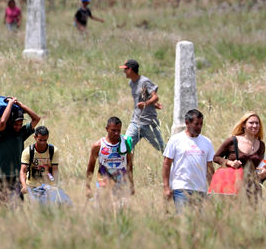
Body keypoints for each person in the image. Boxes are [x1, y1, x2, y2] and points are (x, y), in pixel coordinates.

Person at [119, 58, 165, 186]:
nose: (124, 72)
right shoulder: (131, 84)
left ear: (131, 70)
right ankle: (126, 176)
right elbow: (146, 99)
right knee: (125, 146)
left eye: (125, 69)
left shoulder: (144, 82)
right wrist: (152, 104)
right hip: (135, 121)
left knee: (163, 148)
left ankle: (174, 169)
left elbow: (155, 96)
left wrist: (147, 104)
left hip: (149, 123)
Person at [162, 109, 215, 212]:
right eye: (196, 124)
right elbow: (166, 164)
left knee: (199, 223)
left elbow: (209, 167)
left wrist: (213, 188)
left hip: (200, 190)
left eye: (201, 124)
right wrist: (166, 187)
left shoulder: (207, 142)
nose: (199, 127)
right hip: (181, 188)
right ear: (187, 123)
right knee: (184, 220)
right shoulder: (175, 140)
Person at [0, 97, 40, 205]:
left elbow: (36, 119)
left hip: (17, 177)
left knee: (17, 207)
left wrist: (21, 105)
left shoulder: (21, 133)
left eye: (20, 124)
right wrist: (10, 104)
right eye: (15, 124)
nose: (18, 127)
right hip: (1, 177)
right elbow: (3, 121)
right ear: (10, 122)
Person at [213, 111, 266, 199]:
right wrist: (229, 162)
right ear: (243, 124)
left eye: (257, 123)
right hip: (233, 187)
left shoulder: (261, 144)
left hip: (253, 189)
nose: (254, 126)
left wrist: (265, 172)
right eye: (251, 123)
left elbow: (260, 166)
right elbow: (216, 157)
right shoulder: (232, 141)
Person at [85, 117, 134, 200]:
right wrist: (87, 186)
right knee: (102, 210)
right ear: (107, 129)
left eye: (119, 130)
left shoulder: (125, 144)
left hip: (121, 184)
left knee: (121, 210)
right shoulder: (98, 146)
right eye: (113, 130)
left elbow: (129, 164)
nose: (116, 133)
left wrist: (132, 184)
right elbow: (91, 166)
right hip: (103, 184)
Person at [20, 126, 69, 204]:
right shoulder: (28, 152)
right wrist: (24, 185)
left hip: (49, 186)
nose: (42, 143)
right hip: (33, 186)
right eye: (40, 140)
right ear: (35, 137)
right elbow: (23, 170)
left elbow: (55, 169)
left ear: (48, 137)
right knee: (37, 208)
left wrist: (56, 184)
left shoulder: (53, 151)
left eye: (45, 140)